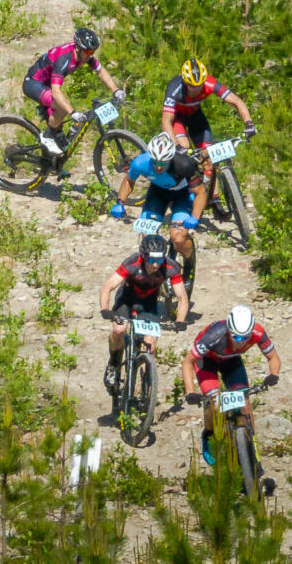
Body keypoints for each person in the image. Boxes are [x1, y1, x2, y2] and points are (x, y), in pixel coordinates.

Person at [183, 305, 280, 467]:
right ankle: (208, 434)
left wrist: (273, 374)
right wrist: (190, 391)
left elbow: (273, 357)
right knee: (215, 404)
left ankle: (251, 446)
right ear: (228, 330)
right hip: (207, 362)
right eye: (236, 337)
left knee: (245, 405)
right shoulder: (213, 336)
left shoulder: (257, 332)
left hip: (231, 361)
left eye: (245, 337)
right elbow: (188, 362)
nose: (240, 342)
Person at [162, 58, 257, 219]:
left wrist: (249, 123)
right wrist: (176, 145)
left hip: (196, 118)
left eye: (199, 86)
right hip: (177, 120)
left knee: (209, 157)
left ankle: (215, 200)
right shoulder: (175, 88)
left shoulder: (209, 83)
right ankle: (186, 193)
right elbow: (166, 121)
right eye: (192, 86)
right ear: (185, 82)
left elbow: (236, 101)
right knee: (185, 152)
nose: (196, 89)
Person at [109, 132, 205, 281]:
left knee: (178, 237)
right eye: (155, 162)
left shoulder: (184, 165)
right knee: (147, 238)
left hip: (182, 196)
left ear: (171, 158)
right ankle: (151, 272)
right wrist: (120, 202)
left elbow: (200, 192)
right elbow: (128, 181)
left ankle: (189, 263)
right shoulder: (140, 162)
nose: (159, 166)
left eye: (163, 163)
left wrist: (195, 217)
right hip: (157, 194)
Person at [98, 232, 187, 393]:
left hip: (148, 304)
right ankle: (113, 364)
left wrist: (180, 320)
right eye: (151, 260)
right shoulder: (132, 263)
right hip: (126, 300)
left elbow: (182, 297)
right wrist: (105, 309)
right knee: (119, 330)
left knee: (150, 347)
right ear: (143, 256)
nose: (155, 265)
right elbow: (108, 286)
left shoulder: (171, 267)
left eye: (159, 260)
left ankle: (146, 390)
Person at [22, 27, 122, 158]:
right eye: (88, 51)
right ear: (78, 48)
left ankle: (52, 161)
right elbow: (56, 92)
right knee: (61, 107)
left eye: (93, 51)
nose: (90, 55)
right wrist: (73, 112)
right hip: (34, 83)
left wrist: (116, 90)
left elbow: (100, 71)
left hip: (47, 84)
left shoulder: (85, 55)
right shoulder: (64, 59)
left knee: (59, 128)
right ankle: (47, 136)